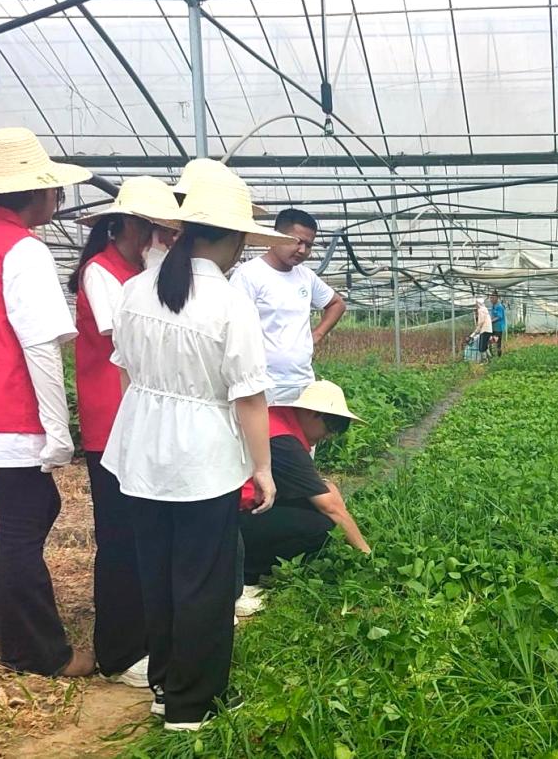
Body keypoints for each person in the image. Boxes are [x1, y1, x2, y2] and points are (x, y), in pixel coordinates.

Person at [102, 161, 292, 731]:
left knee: (157, 575)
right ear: (233, 239)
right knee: (203, 582)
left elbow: (125, 373)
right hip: (202, 458)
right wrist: (262, 467)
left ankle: (164, 686)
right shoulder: (229, 302)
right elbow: (249, 397)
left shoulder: (135, 290)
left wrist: (147, 425)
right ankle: (193, 704)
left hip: (141, 452)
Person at [0, 127, 95, 677]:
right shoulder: (22, 248)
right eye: (52, 187)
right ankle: (35, 651)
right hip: (7, 408)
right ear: (32, 191)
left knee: (25, 513)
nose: (57, 196)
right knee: (26, 520)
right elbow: (39, 344)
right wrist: (57, 429)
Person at [69, 176, 182, 688]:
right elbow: (131, 338)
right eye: (156, 229)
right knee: (118, 537)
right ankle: (117, 652)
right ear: (126, 226)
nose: (162, 239)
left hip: (140, 419)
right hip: (111, 422)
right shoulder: (101, 272)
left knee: (143, 533)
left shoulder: (135, 273)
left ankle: (144, 638)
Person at [239, 381, 370, 586]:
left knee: (313, 504)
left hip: (230, 511)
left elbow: (317, 487)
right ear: (310, 412)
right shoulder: (283, 441)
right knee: (322, 525)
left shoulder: (277, 419)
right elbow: (331, 507)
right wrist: (366, 555)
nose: (328, 436)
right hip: (233, 520)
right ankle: (246, 571)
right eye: (330, 427)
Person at [230, 208, 347, 406]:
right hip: (264, 384)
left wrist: (317, 335)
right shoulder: (249, 275)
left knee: (300, 428)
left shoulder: (306, 277)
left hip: (303, 382)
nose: (303, 250)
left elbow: (337, 304)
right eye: (297, 241)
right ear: (276, 237)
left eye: (309, 245)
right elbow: (233, 327)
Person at [489, 292, 507, 356]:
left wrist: (491, 321)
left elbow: (499, 317)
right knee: (492, 340)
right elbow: (492, 316)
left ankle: (499, 356)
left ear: (497, 298)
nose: (491, 299)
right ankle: (493, 355)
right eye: (490, 298)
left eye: (492, 298)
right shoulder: (493, 306)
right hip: (494, 327)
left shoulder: (499, 306)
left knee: (498, 342)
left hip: (499, 327)